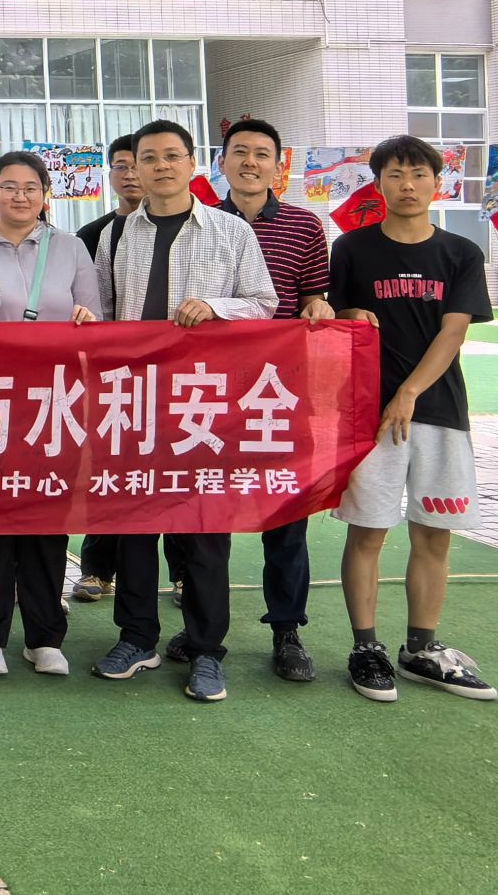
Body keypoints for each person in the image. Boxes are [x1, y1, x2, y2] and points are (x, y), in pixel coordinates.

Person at [92, 119, 275, 703]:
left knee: (203, 533)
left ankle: (206, 649)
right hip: (135, 402)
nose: (161, 166)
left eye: (172, 156)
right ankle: (136, 637)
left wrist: (217, 307)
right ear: (135, 168)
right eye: (148, 158)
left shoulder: (230, 230)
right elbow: (104, 314)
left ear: (193, 163)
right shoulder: (116, 235)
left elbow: (264, 303)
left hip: (204, 402)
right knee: (133, 528)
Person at [332, 134, 497, 703]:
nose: (407, 185)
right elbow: (336, 316)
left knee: (433, 534)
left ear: (437, 182)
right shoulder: (352, 248)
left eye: (418, 174)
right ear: (377, 184)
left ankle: (422, 649)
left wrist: (408, 393)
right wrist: (350, 312)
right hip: (368, 417)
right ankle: (366, 648)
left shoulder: (460, 253)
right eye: (395, 175)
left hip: (440, 412)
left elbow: (453, 333)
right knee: (368, 533)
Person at [0, 151, 103, 679]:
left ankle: (44, 635)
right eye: (9, 186)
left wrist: (87, 320)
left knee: (47, 517)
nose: (20, 196)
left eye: (30, 187)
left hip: (54, 400)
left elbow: (96, 316)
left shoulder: (70, 247)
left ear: (45, 194)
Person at [218, 117, 334, 683]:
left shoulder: (305, 226)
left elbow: (313, 296)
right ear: (221, 162)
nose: (250, 162)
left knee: (286, 511)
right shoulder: (200, 221)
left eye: (261, 153)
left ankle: (287, 629)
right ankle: (202, 628)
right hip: (210, 390)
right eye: (239, 152)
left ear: (277, 165)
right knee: (203, 509)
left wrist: (318, 306)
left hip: (280, 389)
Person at [73, 133, 139, 601]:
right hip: (110, 374)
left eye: (140, 163)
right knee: (108, 469)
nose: (131, 174)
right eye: (122, 165)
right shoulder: (92, 235)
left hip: (177, 375)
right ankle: (97, 569)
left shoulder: (197, 229)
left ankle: (181, 572)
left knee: (177, 469)